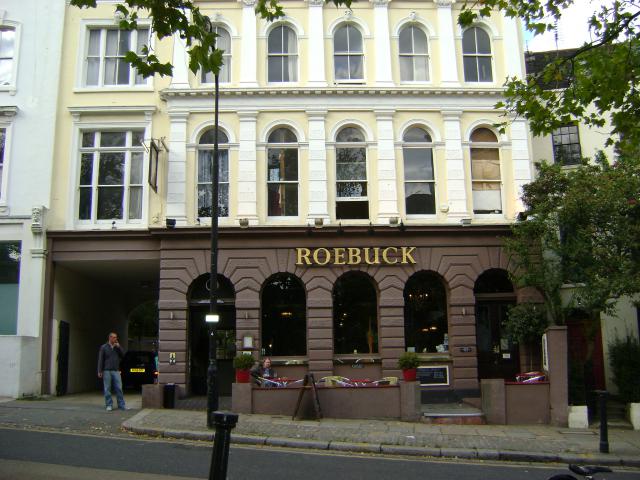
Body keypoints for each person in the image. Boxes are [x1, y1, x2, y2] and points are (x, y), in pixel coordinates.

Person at [97, 332, 127, 411]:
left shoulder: (117, 347)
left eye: (116, 337)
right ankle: (109, 404)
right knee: (107, 388)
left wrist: (119, 347)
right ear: (110, 338)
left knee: (119, 388)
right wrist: (99, 370)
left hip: (116, 370)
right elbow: (101, 359)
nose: (115, 339)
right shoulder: (104, 347)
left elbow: (123, 355)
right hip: (107, 370)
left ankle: (121, 405)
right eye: (114, 337)